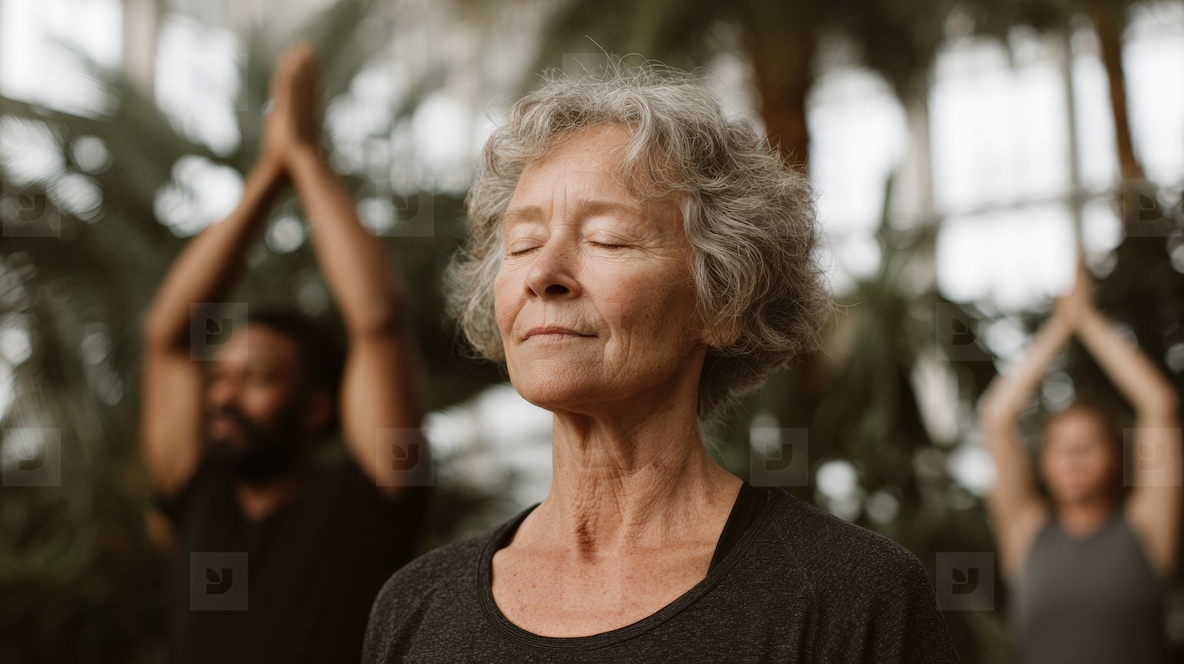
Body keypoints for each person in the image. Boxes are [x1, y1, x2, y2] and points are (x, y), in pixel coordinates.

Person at [362, 62, 958, 662]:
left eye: (608, 240)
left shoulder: (848, 596)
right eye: (523, 244)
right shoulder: (416, 607)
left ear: (724, 298)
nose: (543, 275)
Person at [140, 44, 429, 664]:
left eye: (257, 378)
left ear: (318, 407)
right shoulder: (197, 492)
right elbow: (170, 337)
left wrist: (304, 160)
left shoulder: (374, 495)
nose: (223, 394)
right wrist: (267, 174)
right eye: (219, 377)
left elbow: (378, 321)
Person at [980, 258, 1181, 663]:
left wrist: (1088, 322)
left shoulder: (1146, 529)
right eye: (1059, 448)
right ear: (1043, 463)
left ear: (1115, 456)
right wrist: (1060, 327)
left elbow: (1158, 406)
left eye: (1087, 446)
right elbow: (996, 417)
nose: (1072, 459)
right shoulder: (1024, 532)